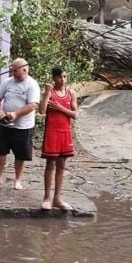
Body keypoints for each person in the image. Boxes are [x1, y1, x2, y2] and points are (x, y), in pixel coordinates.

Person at [0, 58, 41, 190]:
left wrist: (16, 114)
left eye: (15, 70)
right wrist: (0, 110)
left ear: (24, 69)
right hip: (5, 124)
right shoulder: (7, 82)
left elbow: (32, 105)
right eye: (11, 70)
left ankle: (17, 180)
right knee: (0, 151)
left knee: (20, 154)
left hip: (23, 126)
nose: (12, 72)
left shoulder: (32, 85)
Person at [39, 66, 77, 211]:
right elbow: (42, 110)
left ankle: (57, 198)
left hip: (65, 132)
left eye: (65, 77)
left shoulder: (70, 93)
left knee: (62, 165)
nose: (63, 80)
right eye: (60, 77)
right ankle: (47, 198)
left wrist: (60, 108)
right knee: (51, 164)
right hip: (52, 132)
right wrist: (47, 94)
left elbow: (76, 114)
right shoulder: (50, 92)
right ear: (54, 78)